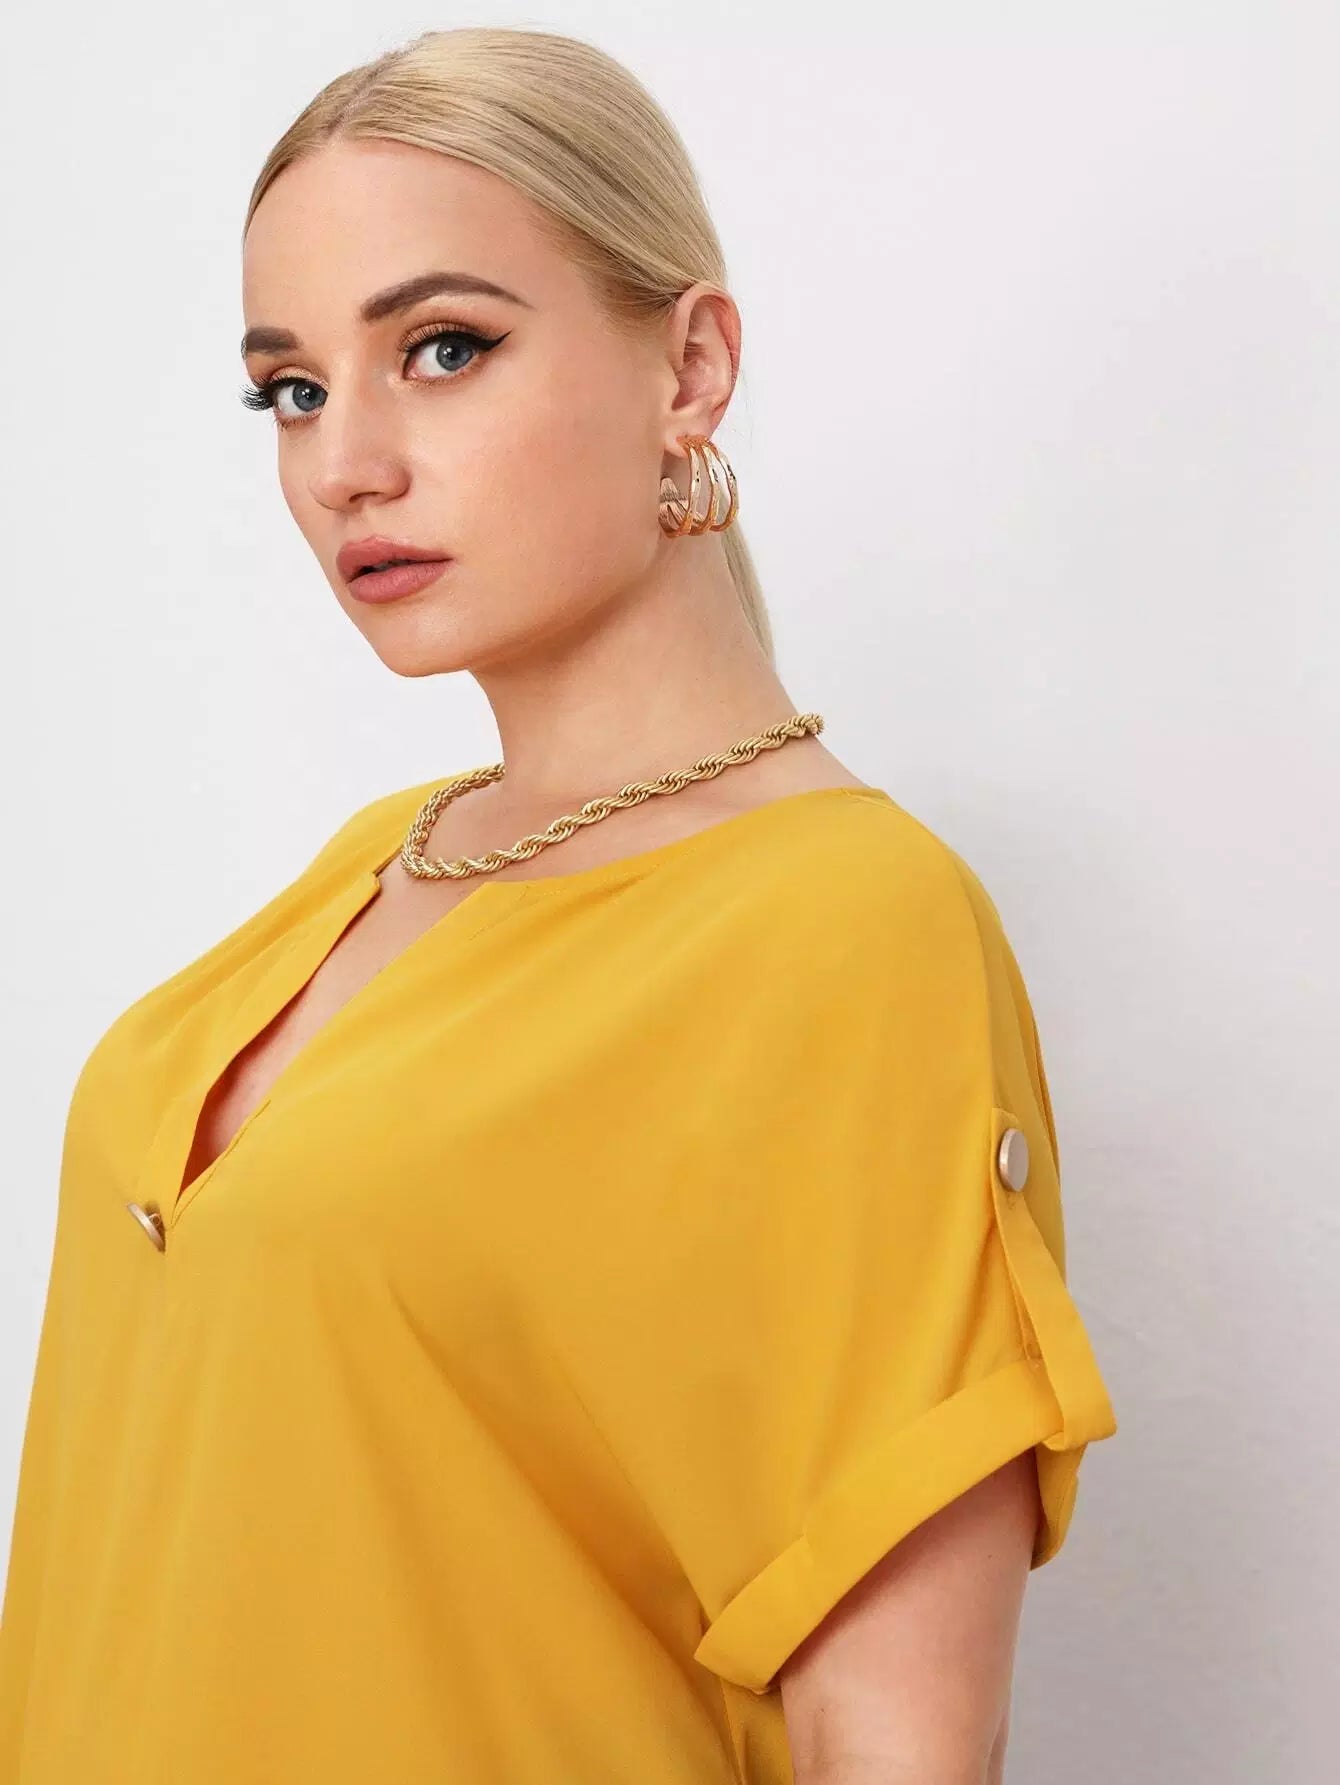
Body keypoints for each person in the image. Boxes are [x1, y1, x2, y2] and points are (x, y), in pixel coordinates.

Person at [0, 25, 1117, 1785]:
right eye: (291, 389)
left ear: (691, 364)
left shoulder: (846, 924)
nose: (344, 462)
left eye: (442, 349)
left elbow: (897, 1731)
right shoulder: (380, 860)